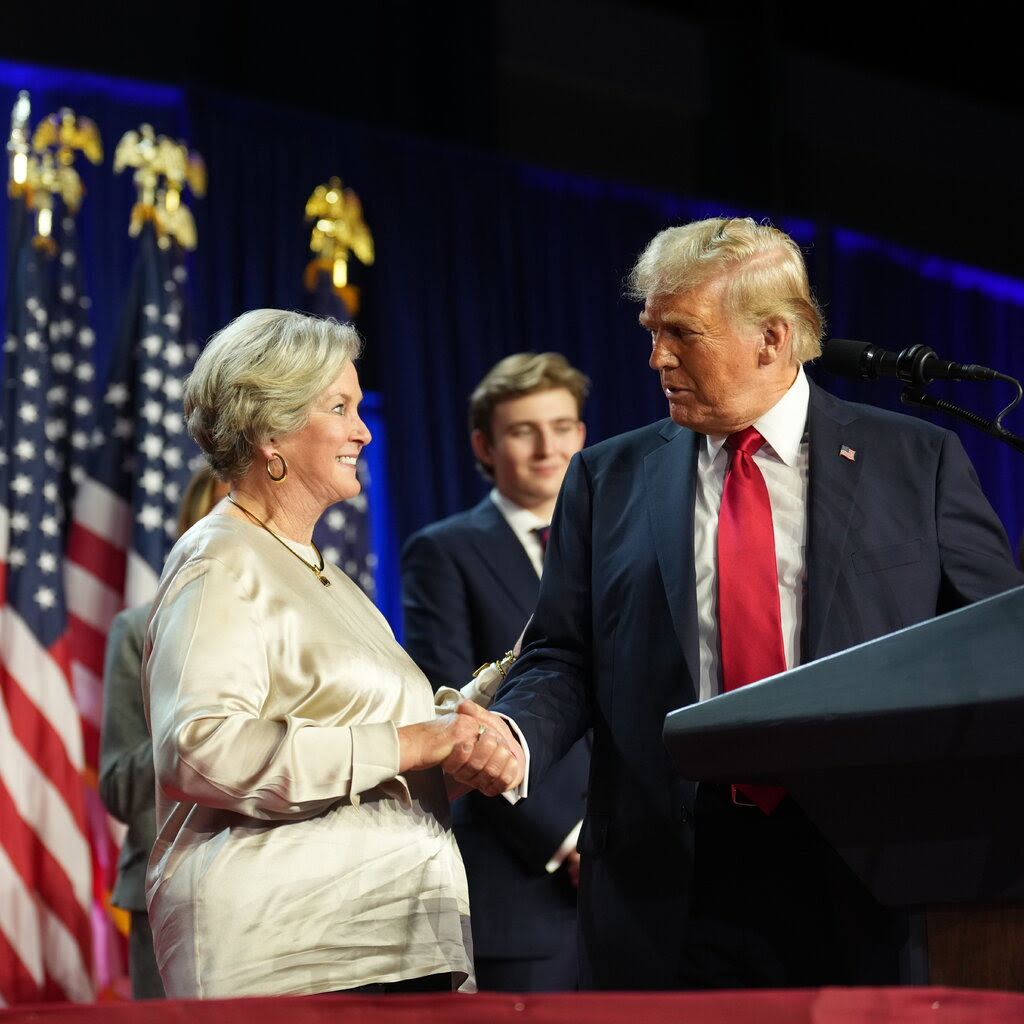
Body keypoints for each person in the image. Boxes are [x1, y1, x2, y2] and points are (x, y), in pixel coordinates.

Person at [482, 217, 1024, 990]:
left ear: (772, 339)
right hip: (666, 880)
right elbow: (563, 653)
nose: (656, 356)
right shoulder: (608, 478)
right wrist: (513, 732)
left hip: (863, 869)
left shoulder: (918, 462)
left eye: (681, 333)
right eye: (651, 329)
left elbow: (995, 647)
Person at [141, 309, 519, 998]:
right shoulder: (219, 561)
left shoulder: (326, 573)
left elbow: (384, 755)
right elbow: (199, 749)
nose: (363, 429)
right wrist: (412, 743)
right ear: (270, 432)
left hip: (396, 940)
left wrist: (490, 701)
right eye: (339, 407)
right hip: (293, 958)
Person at [401, 353, 590, 990]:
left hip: (637, 876)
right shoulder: (443, 551)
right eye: (522, 430)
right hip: (525, 879)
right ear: (484, 444)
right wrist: (569, 838)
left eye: (562, 427)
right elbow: (457, 712)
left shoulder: (618, 540)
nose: (547, 448)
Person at [99, 466, 229, 999]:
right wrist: (194, 719)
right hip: (169, 892)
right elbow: (119, 788)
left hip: (282, 887)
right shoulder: (137, 630)